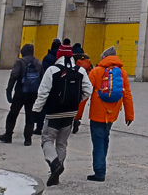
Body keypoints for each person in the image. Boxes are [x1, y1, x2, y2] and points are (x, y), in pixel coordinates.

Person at [32, 40, 92, 187]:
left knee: (47, 140)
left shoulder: (52, 70)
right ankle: (56, 174)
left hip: (53, 112)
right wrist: (76, 101)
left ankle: (54, 165)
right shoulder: (80, 71)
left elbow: (43, 92)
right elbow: (88, 90)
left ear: (58, 56)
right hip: (70, 113)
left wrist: (36, 110)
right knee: (62, 143)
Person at [85, 45, 134, 182]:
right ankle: (101, 166)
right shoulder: (122, 73)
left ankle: (99, 172)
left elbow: (85, 92)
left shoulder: (96, 71)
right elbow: (127, 95)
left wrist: (77, 114)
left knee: (98, 142)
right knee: (105, 139)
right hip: (112, 114)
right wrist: (129, 115)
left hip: (97, 114)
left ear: (104, 58)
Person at [0, 44, 44, 146]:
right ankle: (28, 139)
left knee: (13, 114)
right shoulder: (38, 62)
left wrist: (9, 90)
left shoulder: (20, 62)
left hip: (20, 93)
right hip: (33, 94)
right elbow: (42, 78)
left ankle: (8, 135)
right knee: (30, 116)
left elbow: (14, 76)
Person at [34, 38, 62, 135]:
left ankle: (39, 127)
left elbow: (43, 71)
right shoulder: (61, 59)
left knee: (43, 107)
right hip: (58, 86)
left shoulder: (48, 57)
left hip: (48, 84)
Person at [72, 43, 93, 134]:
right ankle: (77, 119)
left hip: (75, 83)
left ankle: (71, 120)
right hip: (85, 83)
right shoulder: (87, 60)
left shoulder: (74, 59)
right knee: (81, 104)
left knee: (72, 103)